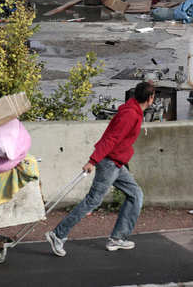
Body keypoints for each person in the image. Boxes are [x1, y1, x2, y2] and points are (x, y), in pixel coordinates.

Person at [45, 80, 154, 257]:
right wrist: (93, 160)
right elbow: (111, 139)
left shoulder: (132, 109)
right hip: (109, 163)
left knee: (135, 195)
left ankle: (117, 238)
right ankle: (58, 234)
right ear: (150, 98)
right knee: (92, 201)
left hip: (117, 164)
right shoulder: (131, 115)